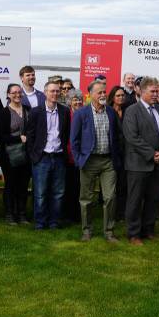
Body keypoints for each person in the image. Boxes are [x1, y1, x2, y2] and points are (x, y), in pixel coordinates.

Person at [122, 77, 159, 244]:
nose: (156, 94)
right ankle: (134, 234)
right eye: (152, 91)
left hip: (158, 164)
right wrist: (152, 154)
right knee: (135, 200)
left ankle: (148, 229)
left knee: (153, 199)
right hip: (138, 164)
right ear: (142, 92)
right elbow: (132, 137)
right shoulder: (132, 111)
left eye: (157, 91)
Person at [71, 81, 122, 242]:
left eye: (104, 92)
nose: (102, 95)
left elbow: (118, 137)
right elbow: (74, 140)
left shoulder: (111, 113)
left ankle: (109, 231)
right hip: (89, 161)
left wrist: (117, 157)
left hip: (108, 162)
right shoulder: (81, 113)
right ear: (91, 94)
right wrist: (79, 160)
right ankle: (87, 231)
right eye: (99, 92)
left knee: (110, 197)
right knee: (86, 198)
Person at [25, 81, 71, 230]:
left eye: (57, 91)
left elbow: (66, 134)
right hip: (42, 157)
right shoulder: (36, 112)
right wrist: (33, 156)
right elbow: (30, 135)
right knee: (40, 193)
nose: (55, 94)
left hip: (58, 157)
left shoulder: (64, 111)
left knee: (58, 193)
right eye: (52, 91)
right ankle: (40, 222)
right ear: (45, 93)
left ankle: (54, 222)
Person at [0, 84, 31, 225]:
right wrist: (18, 138)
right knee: (10, 185)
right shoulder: (4, 112)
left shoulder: (28, 110)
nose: (17, 95)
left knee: (23, 185)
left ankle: (22, 213)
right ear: (8, 95)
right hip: (9, 155)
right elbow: (0, 136)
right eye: (14, 92)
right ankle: (10, 214)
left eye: (19, 92)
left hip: (26, 154)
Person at [107, 85, 129, 221]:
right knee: (111, 186)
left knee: (123, 184)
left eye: (122, 95)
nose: (121, 97)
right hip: (111, 152)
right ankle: (110, 213)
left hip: (126, 153)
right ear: (113, 97)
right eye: (118, 95)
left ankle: (120, 213)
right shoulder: (108, 111)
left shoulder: (128, 111)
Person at [63, 89, 85, 223]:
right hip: (68, 155)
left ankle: (78, 215)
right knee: (68, 187)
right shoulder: (66, 114)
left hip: (82, 156)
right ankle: (67, 214)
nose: (77, 102)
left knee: (80, 187)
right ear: (69, 101)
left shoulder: (85, 114)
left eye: (79, 99)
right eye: (75, 100)